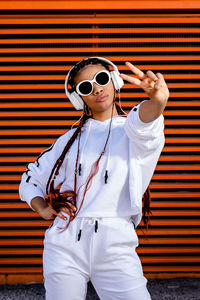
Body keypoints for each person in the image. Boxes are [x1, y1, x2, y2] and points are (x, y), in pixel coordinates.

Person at [19, 56, 169, 300]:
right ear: (79, 98)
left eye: (101, 79)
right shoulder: (67, 141)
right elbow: (30, 177)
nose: (97, 89)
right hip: (64, 243)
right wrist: (42, 208)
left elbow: (144, 124)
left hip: (115, 241)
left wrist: (158, 101)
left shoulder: (132, 130)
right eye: (86, 87)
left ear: (115, 81)